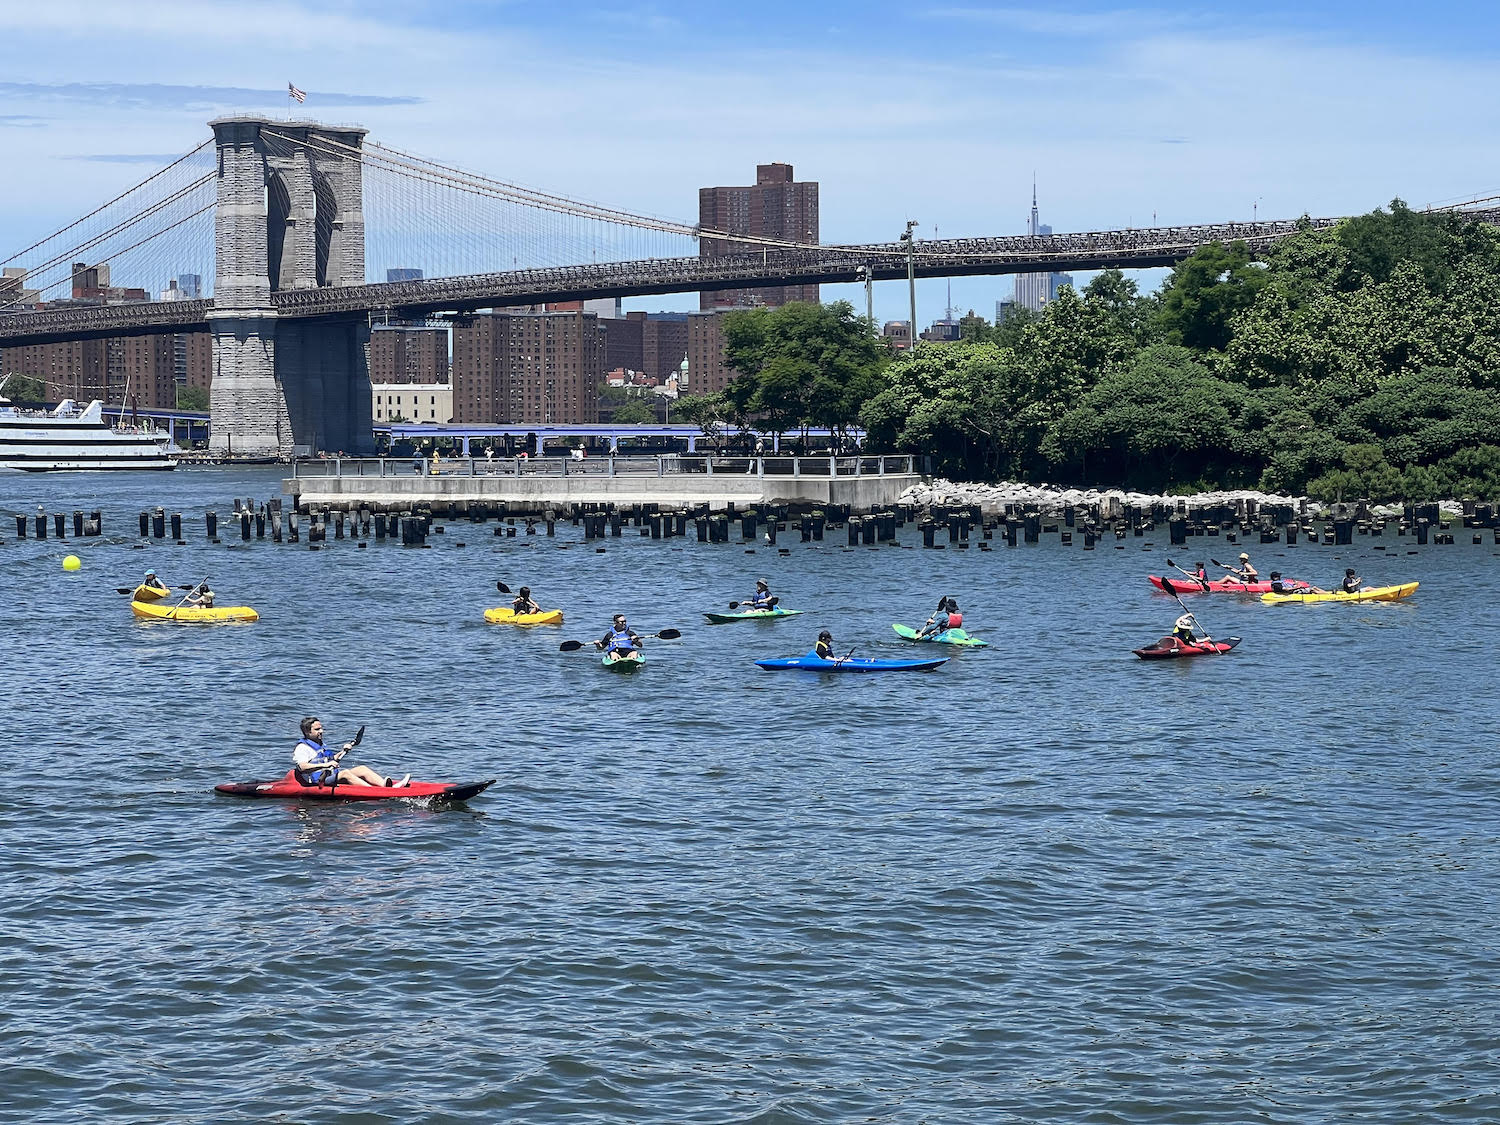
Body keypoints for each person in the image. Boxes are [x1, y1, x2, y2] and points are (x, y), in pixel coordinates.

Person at [292, 717, 409, 788]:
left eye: (321, 728)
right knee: (345, 773)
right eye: (317, 729)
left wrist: (344, 751)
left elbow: (331, 759)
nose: (321, 731)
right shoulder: (302, 748)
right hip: (317, 782)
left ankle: (386, 786)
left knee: (362, 768)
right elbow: (302, 767)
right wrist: (325, 765)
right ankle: (377, 792)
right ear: (307, 732)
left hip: (329, 776)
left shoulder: (320, 744)